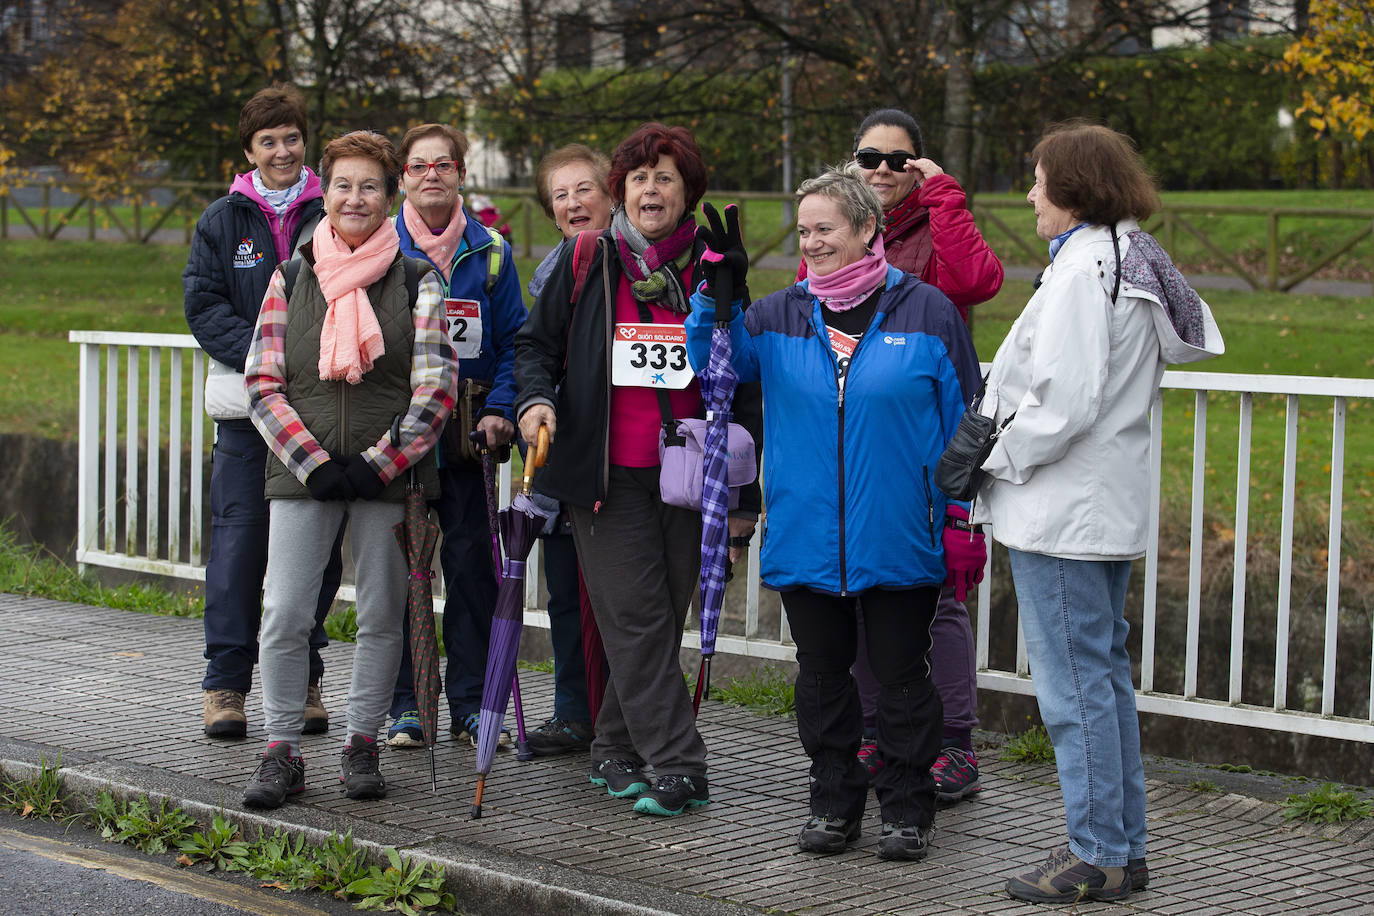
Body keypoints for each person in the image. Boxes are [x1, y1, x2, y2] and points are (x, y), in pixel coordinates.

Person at [686, 163, 984, 860]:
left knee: (903, 680)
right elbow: (714, 371)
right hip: (806, 534)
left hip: (899, 534)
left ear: (866, 228)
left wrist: (960, 519)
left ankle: (908, 809)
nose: (812, 242)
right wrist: (715, 298)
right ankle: (832, 800)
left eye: (825, 228)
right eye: (803, 231)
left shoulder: (926, 310)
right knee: (822, 681)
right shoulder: (778, 314)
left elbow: (965, 421)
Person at [976, 122, 1222, 902]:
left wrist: (990, 458)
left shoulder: (1085, 269)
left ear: (1074, 188)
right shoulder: (1128, 256)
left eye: (1039, 180)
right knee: (1103, 684)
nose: (1030, 194)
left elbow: (1062, 403)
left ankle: (1097, 855)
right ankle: (1121, 847)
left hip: (1060, 513)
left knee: (1076, 690)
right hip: (1097, 508)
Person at [514, 123, 761, 817]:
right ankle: (681, 763)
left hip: (693, 473)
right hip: (603, 477)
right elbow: (534, 347)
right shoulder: (587, 258)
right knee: (637, 618)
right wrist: (535, 402)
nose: (651, 189)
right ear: (619, 189)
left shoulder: (714, 264)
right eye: (639, 177)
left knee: (656, 621)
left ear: (689, 193)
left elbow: (746, 382)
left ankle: (615, 748)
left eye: (666, 177)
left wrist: (747, 496)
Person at [240, 130, 457, 810]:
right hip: (302, 475)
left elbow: (437, 389)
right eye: (342, 185)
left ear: (388, 197)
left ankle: (362, 744)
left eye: (369, 186)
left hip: (387, 478)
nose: (355, 197)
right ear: (323, 193)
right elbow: (262, 382)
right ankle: (281, 751)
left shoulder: (420, 281)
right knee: (284, 613)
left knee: (381, 616)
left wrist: (375, 465)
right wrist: (312, 464)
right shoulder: (292, 275)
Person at [839, 107, 1005, 801]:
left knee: (936, 597)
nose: (882, 170)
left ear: (920, 165)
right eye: (868, 157)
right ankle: (877, 734)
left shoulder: (939, 225)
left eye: (897, 160)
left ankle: (955, 746)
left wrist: (945, 197)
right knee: (859, 591)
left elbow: (977, 282)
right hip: (858, 432)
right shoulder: (843, 227)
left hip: (930, 437)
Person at [183, 85, 342, 740]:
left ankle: (303, 675)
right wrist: (263, 357)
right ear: (249, 150)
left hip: (315, 409)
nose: (282, 150)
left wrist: (306, 359)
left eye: (291, 137)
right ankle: (225, 684)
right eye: (268, 140)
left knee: (314, 549)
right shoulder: (222, 220)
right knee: (240, 544)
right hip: (249, 413)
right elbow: (204, 304)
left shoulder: (334, 209)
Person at [379, 123, 527, 750]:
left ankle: (468, 703)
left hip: (468, 442)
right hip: (396, 442)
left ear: (462, 174)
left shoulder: (491, 250)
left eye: (444, 164)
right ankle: (407, 707)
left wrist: (501, 407)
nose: (431, 174)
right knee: (401, 574)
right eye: (419, 166)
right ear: (403, 179)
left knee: (471, 573)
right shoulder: (377, 245)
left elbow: (518, 340)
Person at [521, 144, 615, 756]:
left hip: (615, 458)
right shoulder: (550, 272)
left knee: (616, 597)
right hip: (557, 445)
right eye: (561, 194)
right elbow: (533, 351)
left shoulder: (630, 266)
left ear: (612, 195)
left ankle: (620, 719)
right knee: (562, 589)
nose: (574, 203)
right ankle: (572, 711)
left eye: (585, 189)